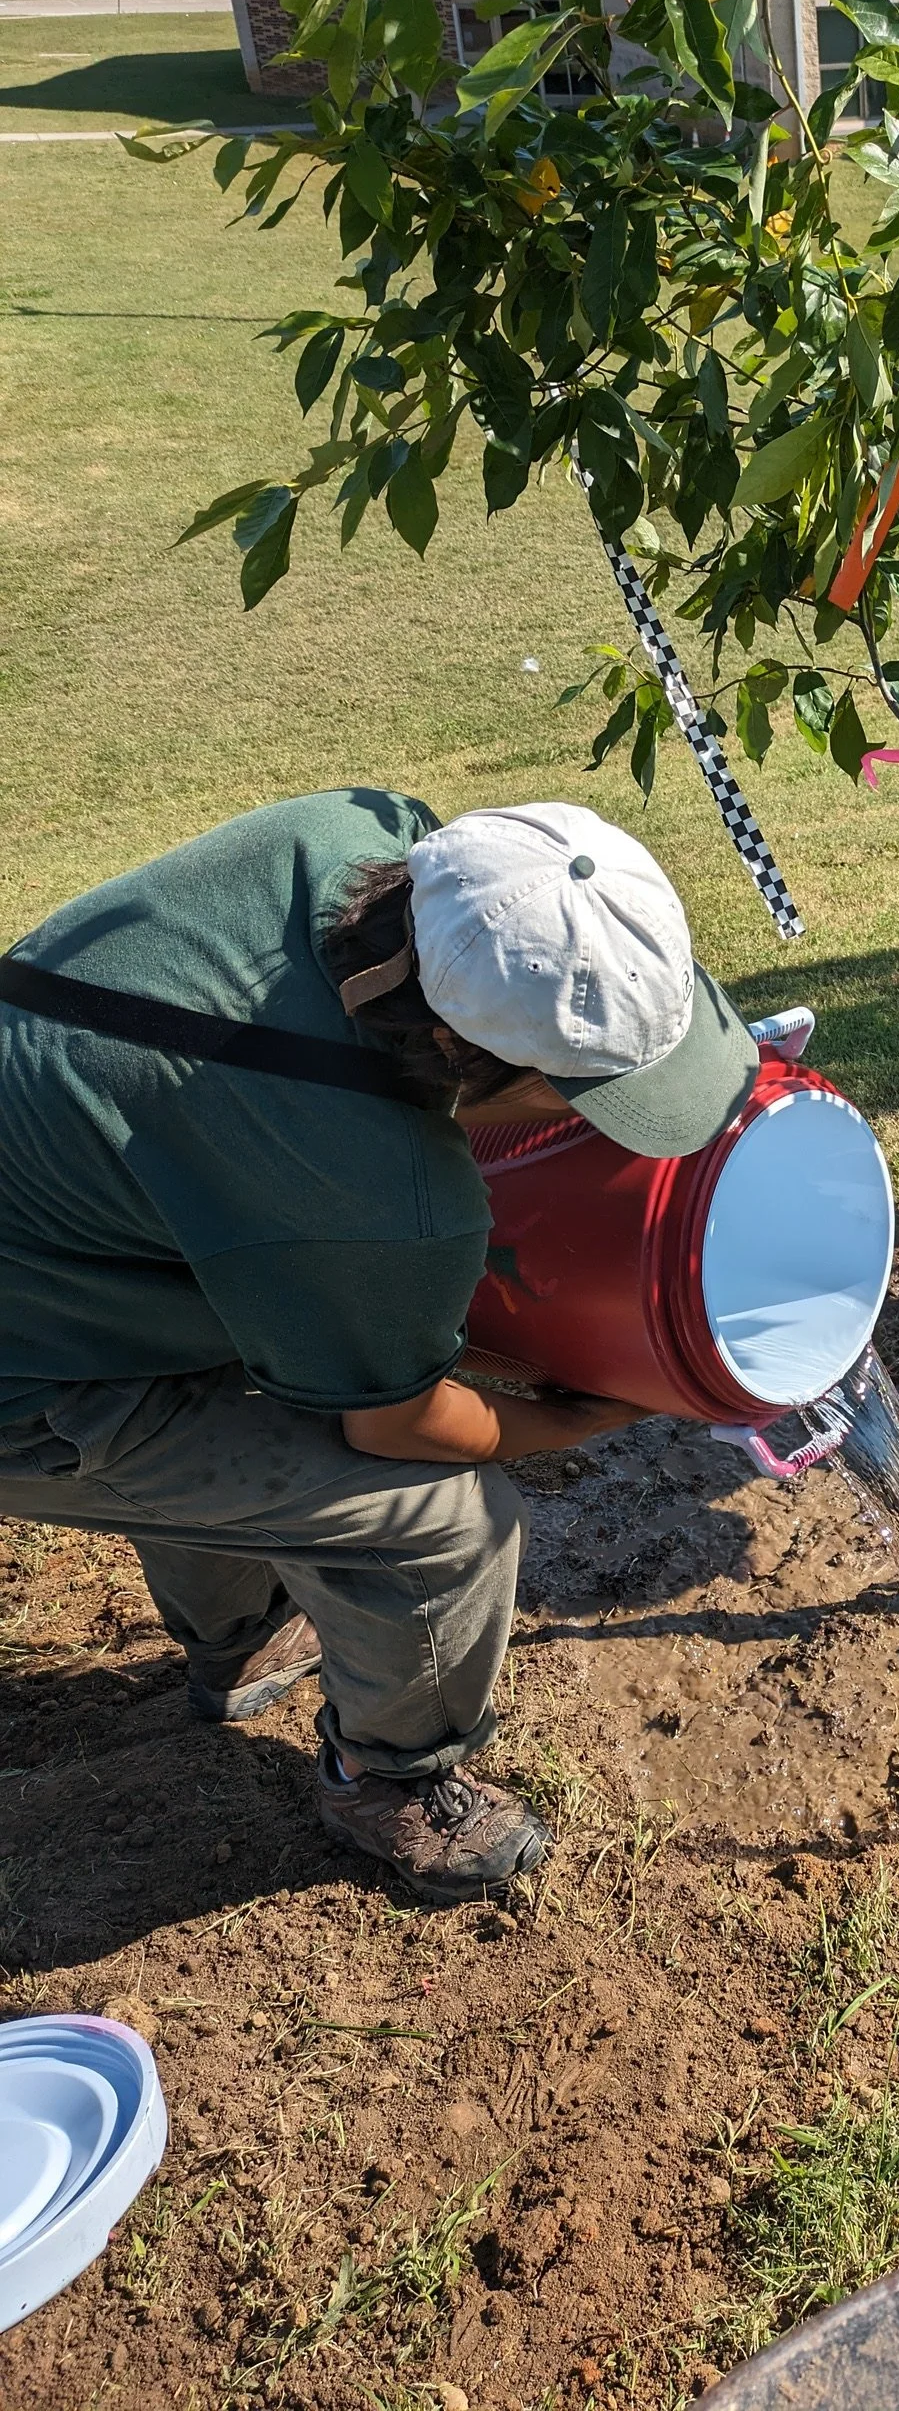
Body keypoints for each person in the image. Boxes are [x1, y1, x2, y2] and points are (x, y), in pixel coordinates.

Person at [0, 793, 761, 1901]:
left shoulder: (367, 841)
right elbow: (399, 1422)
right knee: (443, 1525)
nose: (594, 1123)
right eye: (586, 1096)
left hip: (77, 1211)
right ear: (462, 1051)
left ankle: (237, 1639)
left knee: (243, 1376)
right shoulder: (373, 1186)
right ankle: (390, 1778)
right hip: (29, 1375)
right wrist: (595, 1409)